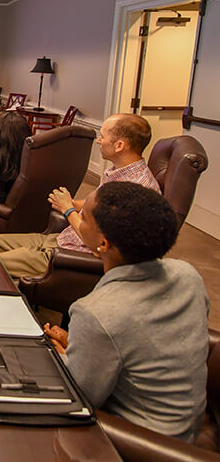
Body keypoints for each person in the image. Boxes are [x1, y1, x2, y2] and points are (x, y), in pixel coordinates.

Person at [44, 182, 208, 443]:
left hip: (142, 443)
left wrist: (66, 356)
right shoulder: (188, 275)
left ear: (103, 243)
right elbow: (145, 337)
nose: (77, 217)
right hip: (187, 426)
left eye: (83, 216)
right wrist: (83, 345)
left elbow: (78, 395)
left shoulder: (96, 312)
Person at [0, 113, 161, 278]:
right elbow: (92, 206)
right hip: (60, 239)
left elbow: (98, 244)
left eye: (103, 136)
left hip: (69, 256)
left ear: (119, 145)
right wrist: (68, 201)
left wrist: (67, 208)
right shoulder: (118, 173)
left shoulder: (135, 189)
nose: (99, 141)